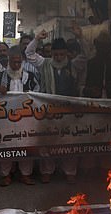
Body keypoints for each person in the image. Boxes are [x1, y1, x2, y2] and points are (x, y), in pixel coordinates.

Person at [26, 30, 79, 183]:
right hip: (49, 110)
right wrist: (36, 39)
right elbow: (29, 53)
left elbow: (87, 54)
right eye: (56, 55)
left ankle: (70, 171)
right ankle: (47, 170)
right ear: (52, 54)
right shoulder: (45, 63)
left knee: (69, 141)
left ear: (66, 53)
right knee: (48, 141)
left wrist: (81, 37)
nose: (59, 58)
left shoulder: (73, 64)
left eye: (62, 54)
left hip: (69, 110)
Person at [0, 45, 39, 187]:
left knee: (26, 145)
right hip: (5, 119)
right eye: (13, 62)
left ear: (22, 61)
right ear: (8, 61)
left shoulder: (31, 77)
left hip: (26, 118)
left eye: (18, 62)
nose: (16, 65)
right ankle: (6, 175)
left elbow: (39, 92)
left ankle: (25, 174)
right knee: (6, 146)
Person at [83, 32, 111, 99]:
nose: (104, 50)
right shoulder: (89, 63)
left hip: (110, 102)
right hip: (93, 102)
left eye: (106, 47)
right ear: (97, 46)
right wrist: (89, 90)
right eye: (102, 47)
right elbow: (80, 86)